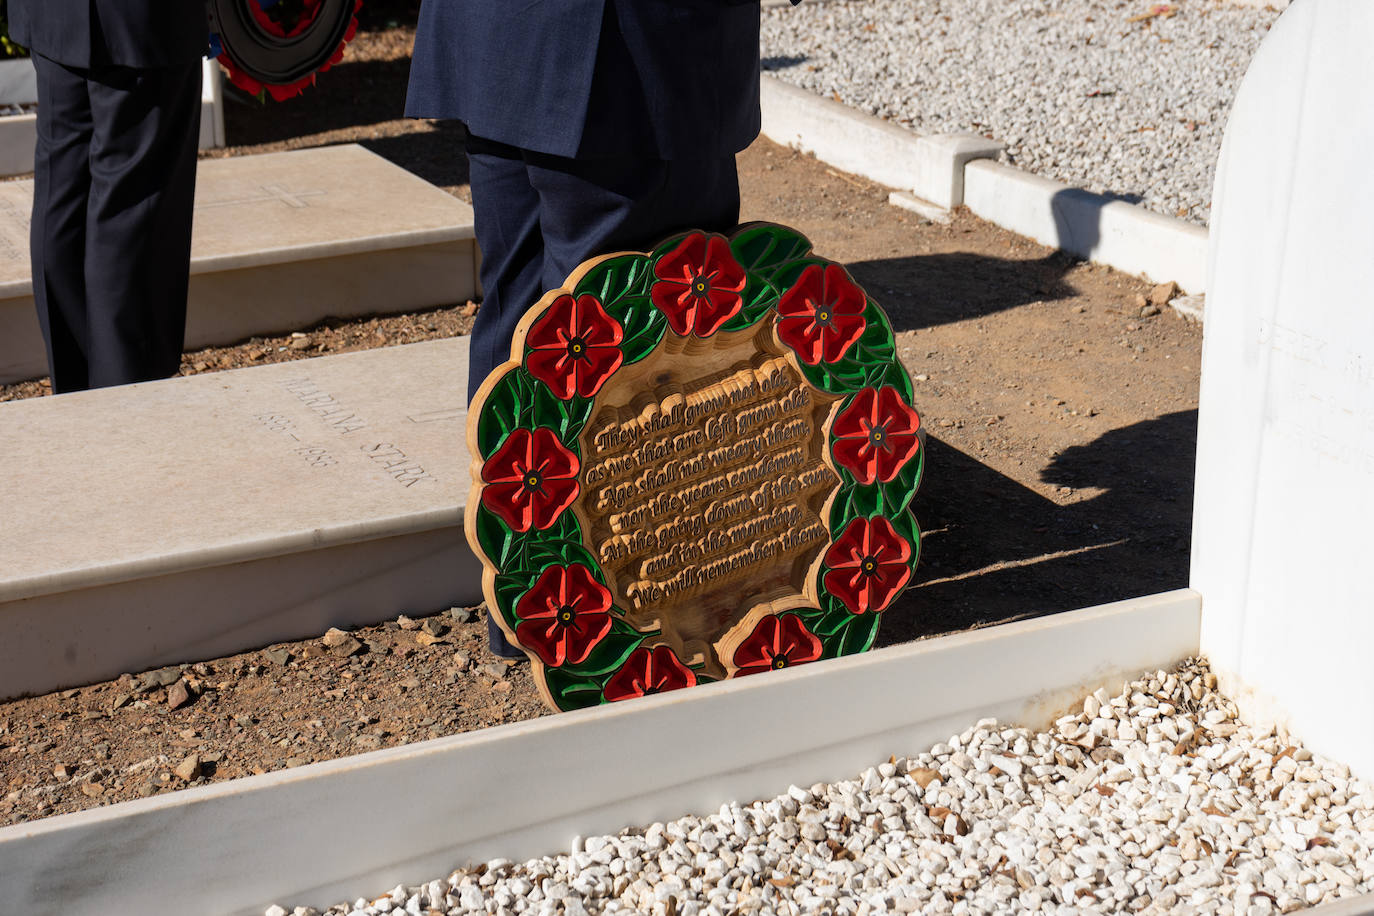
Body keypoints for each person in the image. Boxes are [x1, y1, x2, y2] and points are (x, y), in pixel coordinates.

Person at [406, 0, 799, 658]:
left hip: (501, 33)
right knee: (637, 340)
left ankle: (530, 618)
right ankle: (615, 635)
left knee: (523, 316)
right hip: (631, 54)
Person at [9, 0, 207, 394]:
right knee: (132, 203)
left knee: (63, 189)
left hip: (53, 13)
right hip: (139, 18)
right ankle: (127, 396)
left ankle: (80, 393)